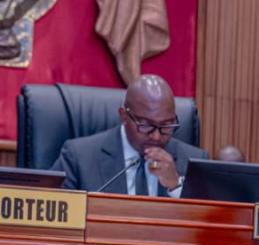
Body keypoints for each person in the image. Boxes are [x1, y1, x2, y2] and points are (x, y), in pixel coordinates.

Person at [51, 74, 208, 196]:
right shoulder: (79, 157)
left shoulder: (195, 162)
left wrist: (176, 187)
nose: (156, 137)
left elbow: (208, 225)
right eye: (146, 125)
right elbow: (54, 213)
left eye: (166, 125)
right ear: (124, 116)